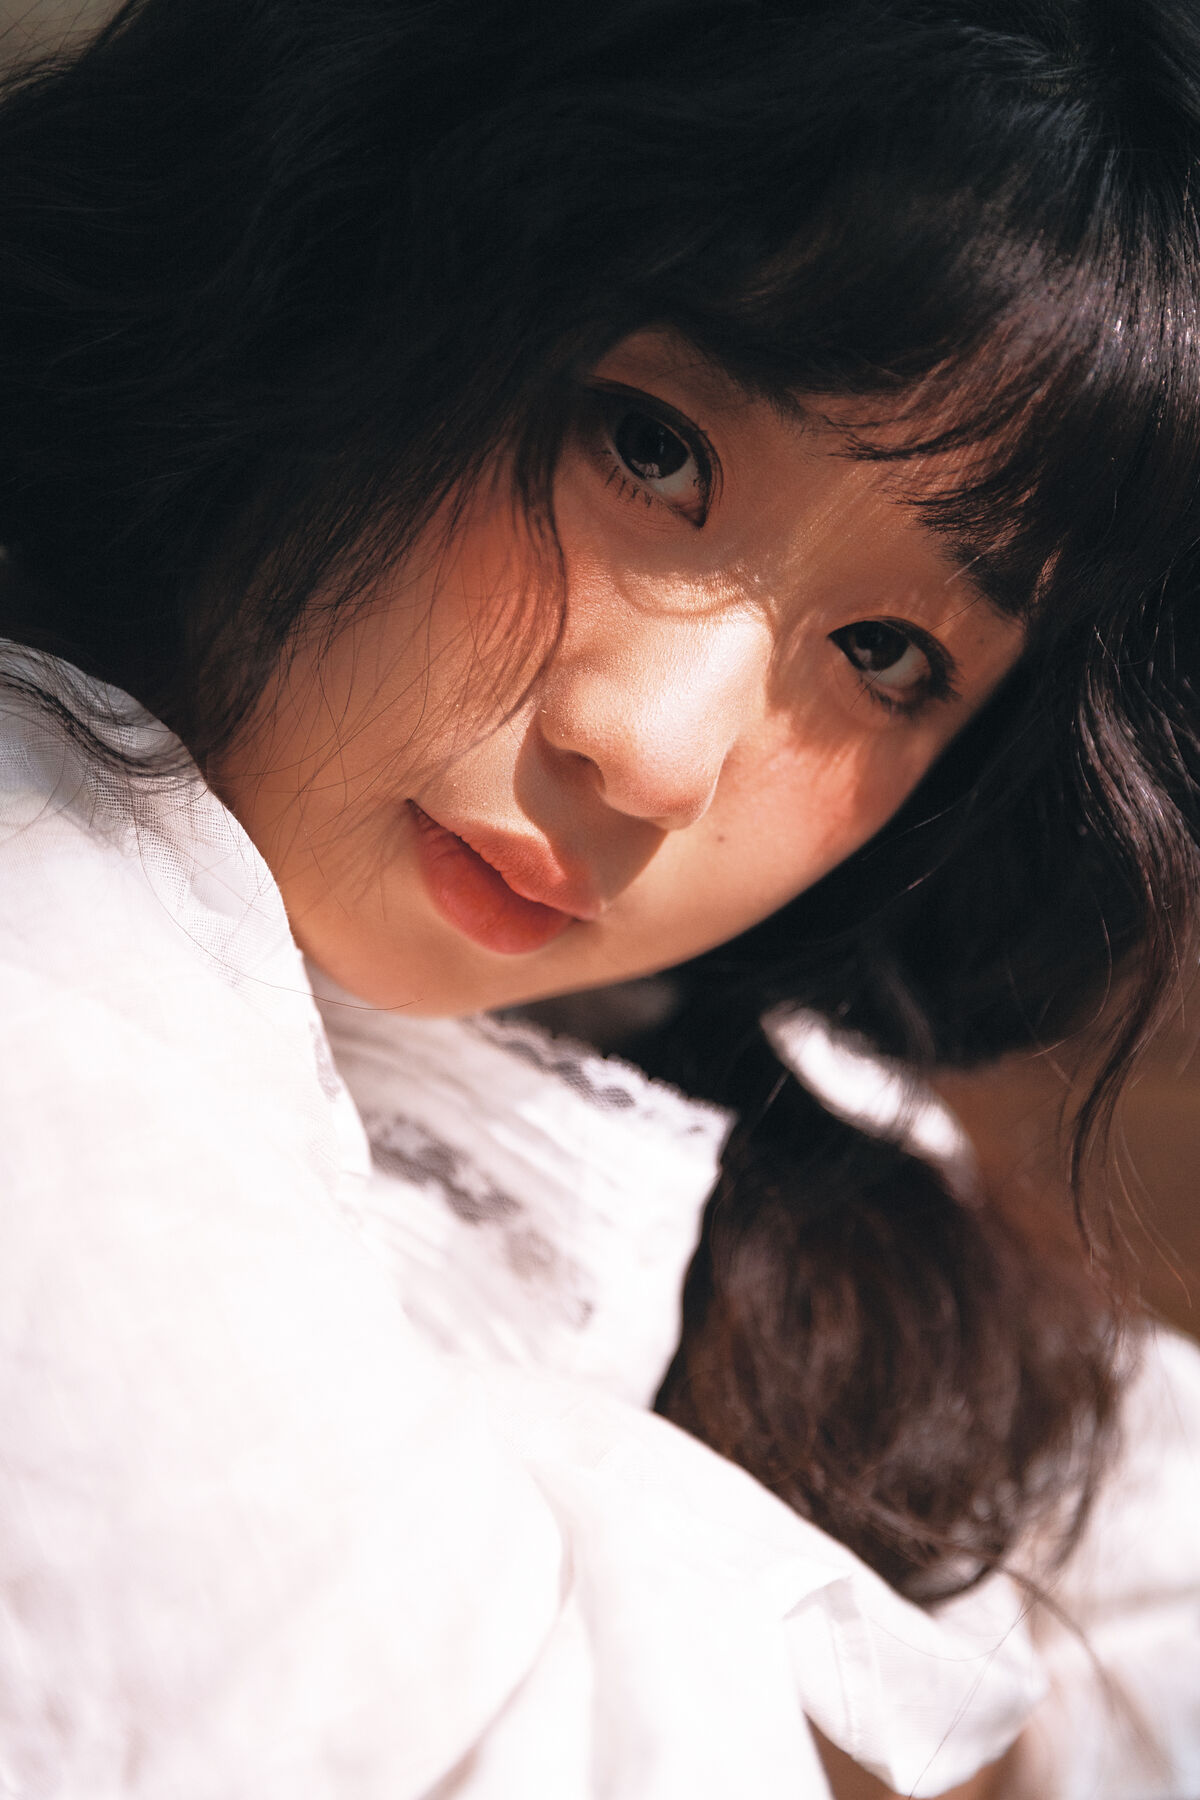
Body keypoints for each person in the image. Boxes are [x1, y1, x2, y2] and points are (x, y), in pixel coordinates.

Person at [0, 0, 1197, 1794]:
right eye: (649, 447)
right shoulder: (48, 900)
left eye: (886, 653)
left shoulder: (739, 1103)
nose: (653, 751)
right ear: (352, 231)